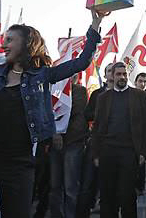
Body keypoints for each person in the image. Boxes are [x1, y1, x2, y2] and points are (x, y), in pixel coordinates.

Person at [0, 9, 107, 218]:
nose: (4, 45)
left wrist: (95, 25)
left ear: (26, 44)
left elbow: (81, 62)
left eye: (10, 40)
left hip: (17, 165)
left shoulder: (42, 75)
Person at [91, 61, 146, 218]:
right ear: (112, 76)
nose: (122, 77)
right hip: (107, 151)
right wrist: (96, 154)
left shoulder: (139, 95)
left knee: (127, 196)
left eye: (124, 74)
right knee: (107, 196)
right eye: (118, 74)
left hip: (129, 152)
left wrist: (143, 152)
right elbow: (97, 127)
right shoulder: (103, 97)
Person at [76, 62, 114, 218]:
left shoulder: (125, 95)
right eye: (109, 71)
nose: (112, 74)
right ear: (105, 75)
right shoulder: (97, 94)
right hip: (95, 144)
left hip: (114, 146)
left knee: (109, 186)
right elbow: (87, 114)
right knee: (87, 184)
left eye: (115, 71)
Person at [49, 73, 89, 218]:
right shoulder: (53, 90)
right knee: (54, 186)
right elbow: (48, 112)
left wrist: (58, 126)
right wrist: (55, 133)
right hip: (55, 144)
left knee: (70, 187)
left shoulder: (80, 91)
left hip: (73, 142)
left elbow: (71, 109)